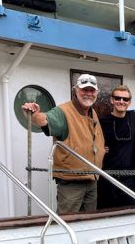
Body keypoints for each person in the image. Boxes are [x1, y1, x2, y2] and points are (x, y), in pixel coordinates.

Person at [23, 73, 105, 214]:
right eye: (84, 90)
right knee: (67, 223)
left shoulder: (92, 112)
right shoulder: (63, 112)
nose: (88, 94)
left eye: (92, 90)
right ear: (75, 91)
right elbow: (45, 120)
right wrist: (34, 114)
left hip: (92, 180)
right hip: (71, 183)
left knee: (90, 224)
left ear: (96, 93)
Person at [97, 85, 135, 209]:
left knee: (129, 214)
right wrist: (98, 147)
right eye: (118, 98)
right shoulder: (102, 121)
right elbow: (88, 138)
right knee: (106, 215)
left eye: (125, 99)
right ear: (112, 100)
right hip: (106, 179)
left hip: (128, 179)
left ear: (129, 102)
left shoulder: (134, 117)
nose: (121, 101)